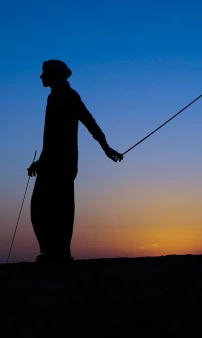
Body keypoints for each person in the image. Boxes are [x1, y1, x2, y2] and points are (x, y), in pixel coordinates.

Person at [26, 59, 123, 264]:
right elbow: (52, 135)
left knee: (58, 208)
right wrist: (41, 161)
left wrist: (106, 148)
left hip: (62, 163)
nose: (41, 77)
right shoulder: (53, 97)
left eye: (44, 73)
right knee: (43, 207)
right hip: (51, 162)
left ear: (55, 74)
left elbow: (89, 122)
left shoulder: (69, 96)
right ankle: (54, 252)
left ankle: (59, 253)